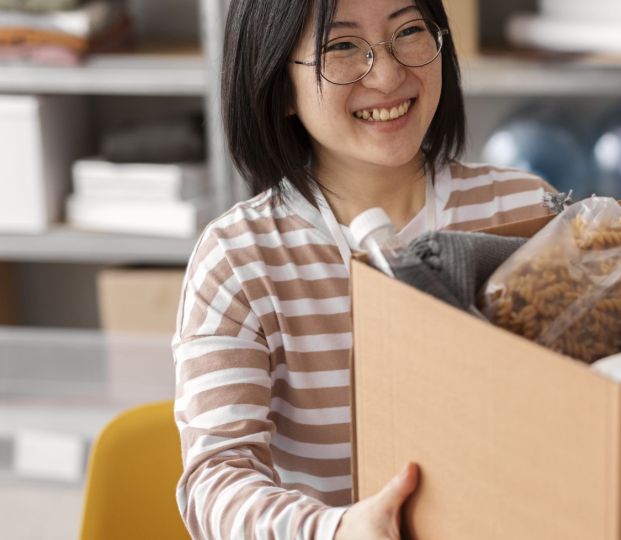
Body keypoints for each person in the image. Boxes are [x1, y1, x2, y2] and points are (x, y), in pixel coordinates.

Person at [171, 0, 556, 538]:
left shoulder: (528, 212)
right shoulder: (239, 258)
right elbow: (215, 479)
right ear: (279, 85)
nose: (391, 73)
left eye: (410, 31)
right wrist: (337, 530)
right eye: (342, 46)